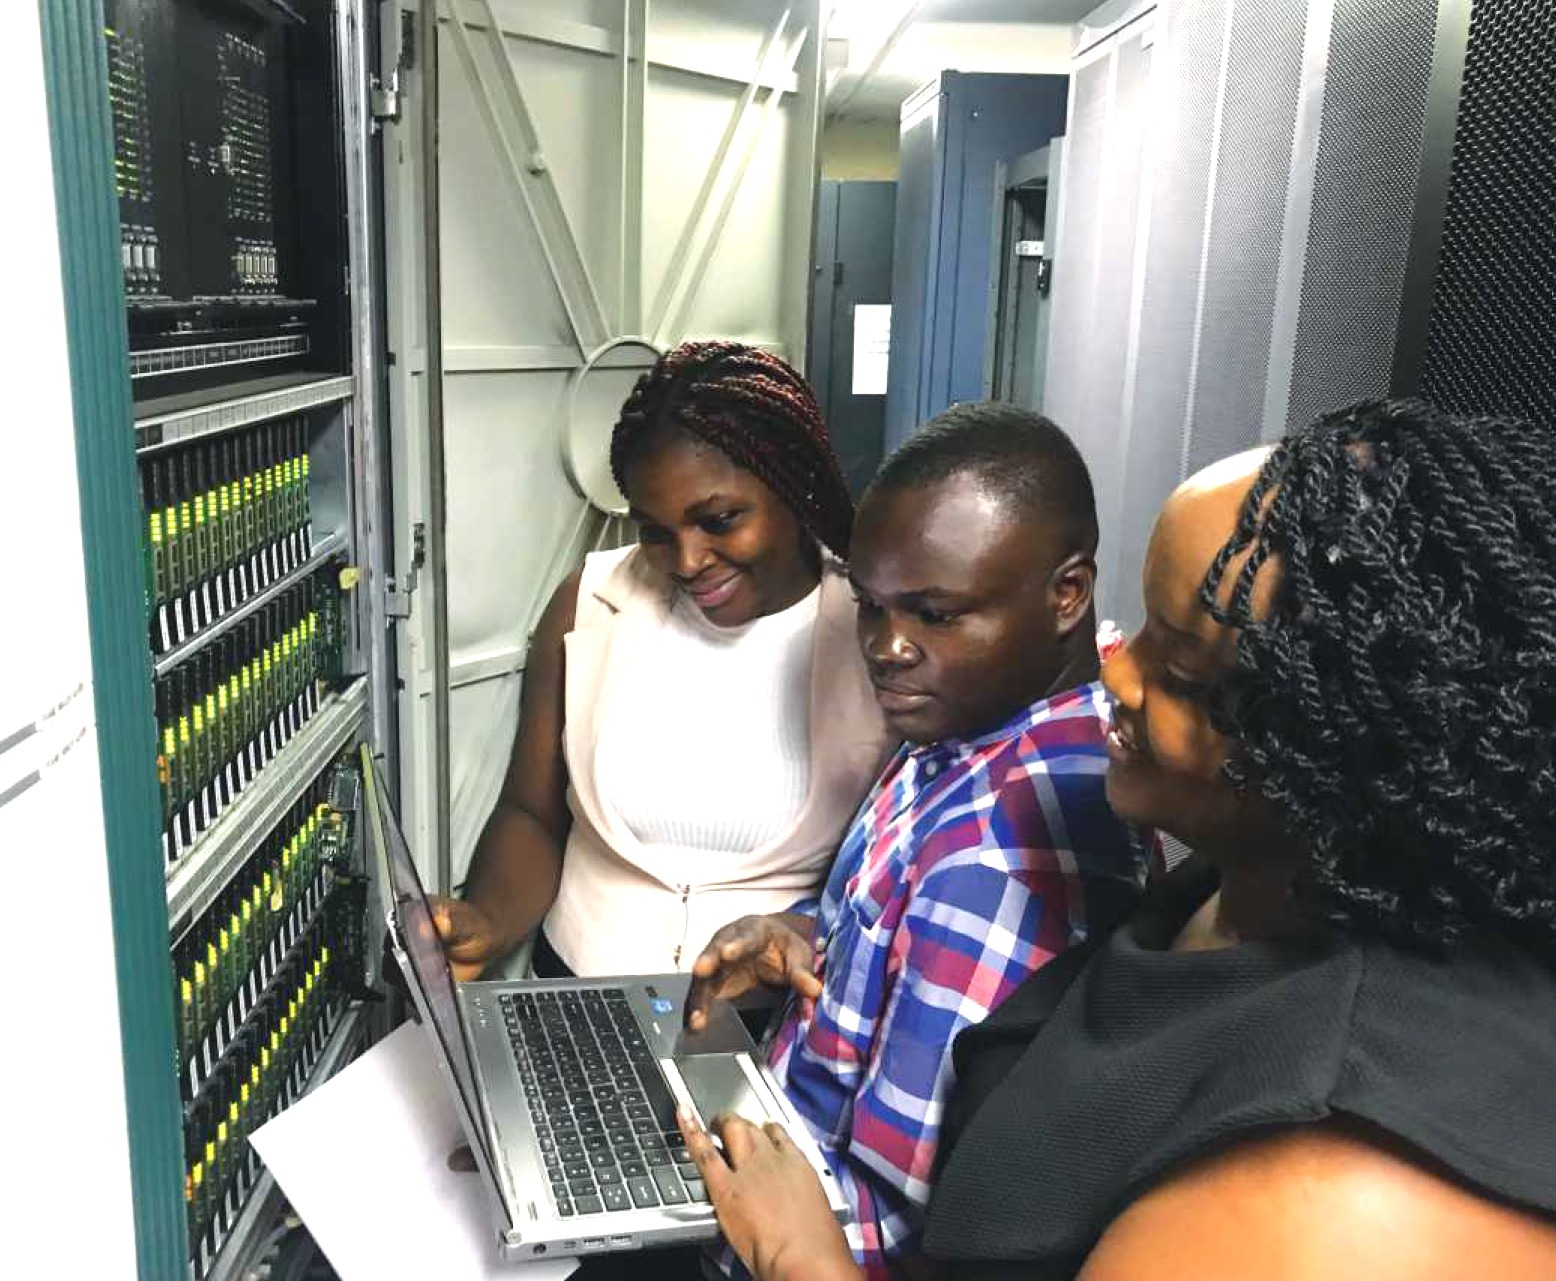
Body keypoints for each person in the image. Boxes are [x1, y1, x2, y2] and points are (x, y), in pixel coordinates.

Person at [678, 399, 1556, 1280]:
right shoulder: (1237, 877)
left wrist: (795, 1252)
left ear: (1337, 741)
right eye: (1141, 629)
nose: (1115, 673)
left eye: (1179, 671)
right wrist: (823, 935)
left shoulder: (1324, 1182)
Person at [684, 403, 1152, 1280]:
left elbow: (896, 1226)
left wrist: (714, 1213)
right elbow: (895, 922)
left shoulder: (997, 863)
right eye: (871, 606)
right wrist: (805, 934)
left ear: (1067, 594)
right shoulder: (971, 718)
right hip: (777, 1136)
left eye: (934, 613)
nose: (888, 647)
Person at [429, 341, 895, 979]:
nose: (687, 561)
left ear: (794, 486)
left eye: (720, 520)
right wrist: (486, 921)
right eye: (654, 530)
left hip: (776, 1015)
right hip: (579, 995)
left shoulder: (877, 627)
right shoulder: (590, 603)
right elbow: (531, 814)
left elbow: (896, 875)